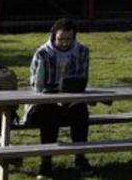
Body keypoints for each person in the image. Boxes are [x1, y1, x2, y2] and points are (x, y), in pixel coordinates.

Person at [26, 18, 92, 178]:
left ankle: (80, 157)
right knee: (49, 116)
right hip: (47, 100)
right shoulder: (42, 53)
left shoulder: (82, 51)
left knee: (81, 113)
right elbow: (36, 84)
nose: (64, 43)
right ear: (54, 36)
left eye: (68, 39)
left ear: (74, 37)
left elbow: (82, 79)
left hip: (71, 100)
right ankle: (46, 162)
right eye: (60, 39)